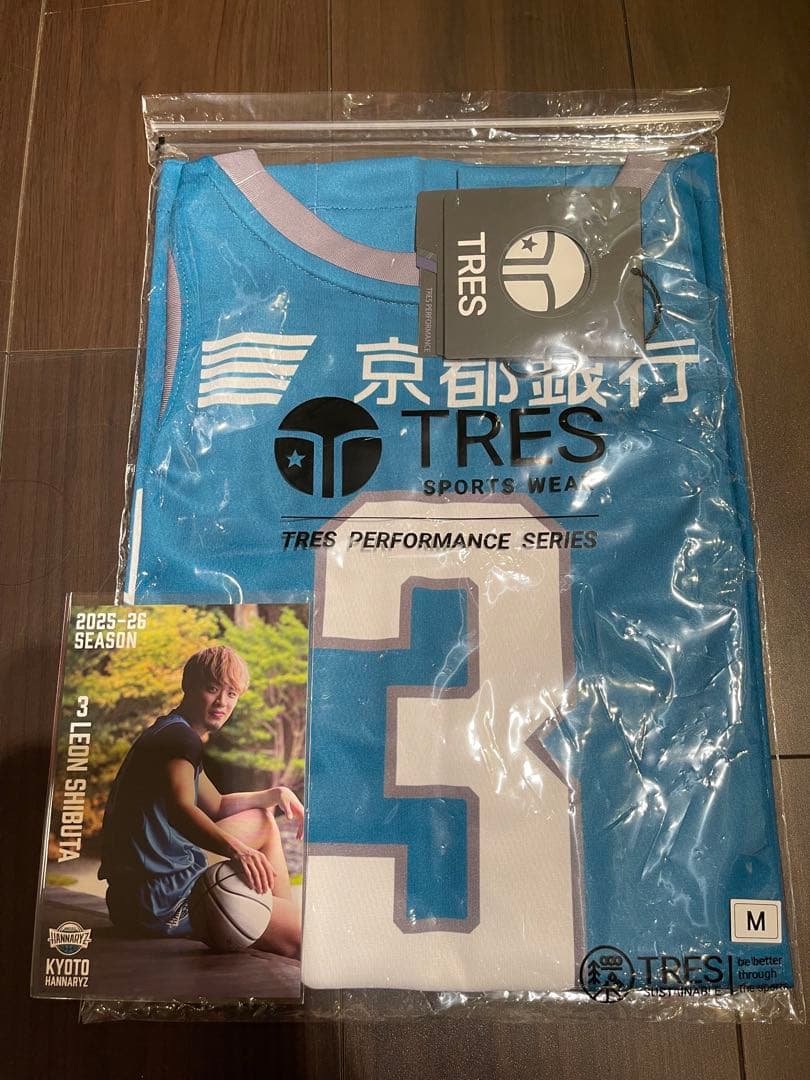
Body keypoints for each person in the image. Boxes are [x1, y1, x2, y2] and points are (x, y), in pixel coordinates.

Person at [98, 644, 304, 959]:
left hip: (136, 896)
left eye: (232, 694)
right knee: (300, 939)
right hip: (162, 901)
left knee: (262, 819)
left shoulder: (172, 731)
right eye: (212, 688)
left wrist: (274, 794)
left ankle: (279, 913)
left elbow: (217, 804)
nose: (222, 702)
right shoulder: (180, 740)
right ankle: (284, 924)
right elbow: (181, 811)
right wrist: (238, 850)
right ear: (188, 686)